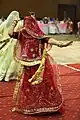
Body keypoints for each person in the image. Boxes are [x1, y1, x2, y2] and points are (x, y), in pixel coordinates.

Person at [8, 15, 73, 114]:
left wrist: (60, 44)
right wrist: (13, 24)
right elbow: (10, 34)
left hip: (39, 64)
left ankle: (44, 104)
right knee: (27, 85)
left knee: (42, 84)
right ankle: (30, 104)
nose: (27, 26)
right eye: (26, 23)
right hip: (27, 64)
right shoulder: (22, 33)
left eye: (29, 23)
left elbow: (48, 39)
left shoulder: (38, 34)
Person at [0, 11, 20, 81]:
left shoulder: (4, 24)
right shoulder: (17, 25)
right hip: (12, 44)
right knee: (12, 61)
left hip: (5, 45)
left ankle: (2, 74)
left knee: (4, 60)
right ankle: (7, 76)